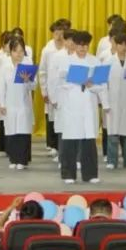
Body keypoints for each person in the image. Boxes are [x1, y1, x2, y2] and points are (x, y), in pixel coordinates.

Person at [59, 30, 108, 184]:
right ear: (74, 45)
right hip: (72, 105)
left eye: (85, 45)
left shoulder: (95, 61)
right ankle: (68, 174)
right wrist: (78, 80)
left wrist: (91, 84)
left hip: (88, 105)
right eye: (80, 45)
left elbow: (101, 85)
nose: (82, 48)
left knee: (89, 141)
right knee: (70, 141)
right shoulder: (67, 61)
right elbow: (62, 82)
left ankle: (90, 174)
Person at [102, 33, 126, 169]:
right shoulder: (108, 61)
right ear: (115, 44)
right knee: (113, 132)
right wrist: (105, 102)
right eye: (121, 44)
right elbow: (103, 84)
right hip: (112, 100)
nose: (124, 47)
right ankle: (112, 161)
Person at [0, 37, 36, 171]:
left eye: (21, 51)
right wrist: (2, 104)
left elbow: (34, 86)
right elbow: (1, 87)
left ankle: (22, 160)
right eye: (15, 51)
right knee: (11, 132)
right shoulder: (5, 65)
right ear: (10, 52)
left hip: (23, 103)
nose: (18, 54)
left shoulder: (27, 63)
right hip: (10, 103)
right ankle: (13, 159)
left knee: (23, 132)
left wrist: (28, 80)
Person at [38, 19, 69, 155]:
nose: (59, 36)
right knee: (51, 117)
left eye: (61, 33)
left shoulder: (68, 48)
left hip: (66, 88)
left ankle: (63, 145)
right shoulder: (47, 50)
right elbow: (42, 71)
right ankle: (53, 144)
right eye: (56, 32)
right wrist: (44, 90)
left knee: (64, 117)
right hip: (52, 88)